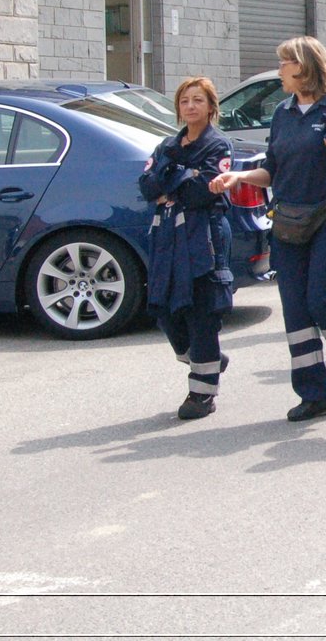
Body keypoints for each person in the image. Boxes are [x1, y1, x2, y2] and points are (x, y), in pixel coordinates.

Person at [211, 37, 326, 423]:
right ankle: (315, 394)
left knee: (324, 301)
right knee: (296, 310)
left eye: (285, 63)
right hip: (289, 223)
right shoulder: (283, 114)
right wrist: (240, 177)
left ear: (304, 66)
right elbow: (271, 169)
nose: (279, 71)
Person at [139, 77, 234, 421]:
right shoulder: (167, 145)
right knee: (164, 308)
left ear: (211, 107)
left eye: (198, 100)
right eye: (184, 101)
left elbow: (201, 191)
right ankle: (207, 361)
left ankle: (202, 392)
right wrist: (179, 175)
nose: (191, 106)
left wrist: (174, 182)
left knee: (200, 309)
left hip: (203, 235)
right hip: (167, 235)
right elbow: (148, 186)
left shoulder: (217, 145)